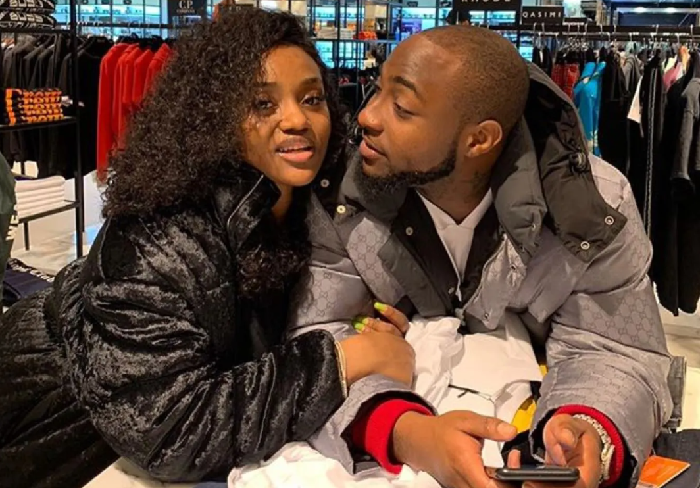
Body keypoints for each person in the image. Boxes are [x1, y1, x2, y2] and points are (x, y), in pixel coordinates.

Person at [0, 8, 415, 488]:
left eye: (312, 98)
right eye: (262, 103)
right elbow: (168, 430)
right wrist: (345, 360)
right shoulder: (157, 231)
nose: (297, 119)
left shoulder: (313, 203)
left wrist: (362, 324)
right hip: (54, 432)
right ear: (214, 116)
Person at [289, 26, 675, 488]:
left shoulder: (594, 207)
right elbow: (315, 338)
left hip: (524, 440)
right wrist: (408, 433)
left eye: (402, 107)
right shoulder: (339, 195)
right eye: (377, 89)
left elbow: (617, 349)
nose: (366, 116)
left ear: (479, 140)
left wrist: (588, 429)